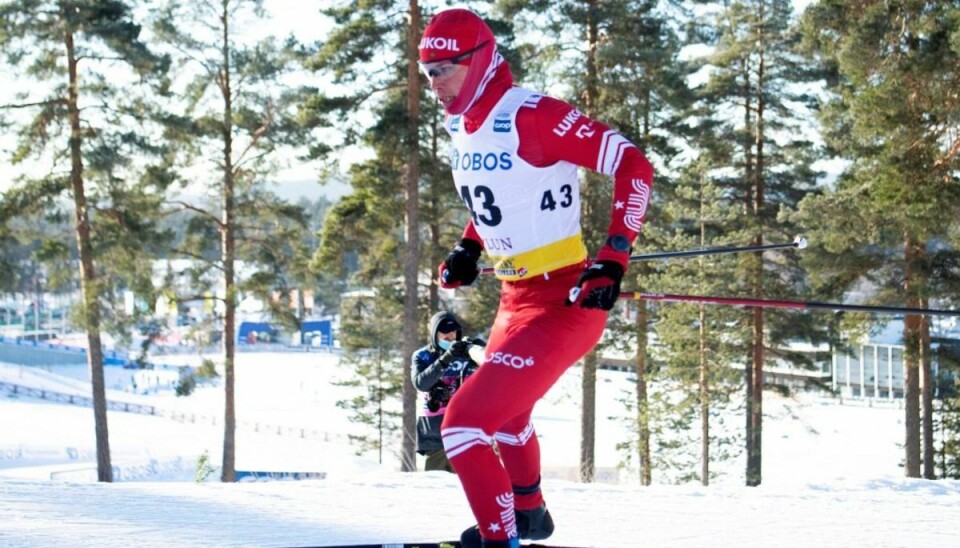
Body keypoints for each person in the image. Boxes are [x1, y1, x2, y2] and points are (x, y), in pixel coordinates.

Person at [418, 8, 655, 548]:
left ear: (480, 61)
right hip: (515, 295)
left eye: (446, 69)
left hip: (566, 300)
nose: (436, 84)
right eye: (427, 72)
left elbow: (634, 165)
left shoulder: (535, 116)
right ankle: (528, 515)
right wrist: (468, 246)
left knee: (462, 424)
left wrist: (614, 255)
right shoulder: (463, 125)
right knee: (505, 416)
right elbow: (501, 197)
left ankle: (501, 540)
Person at [411, 311, 483, 473]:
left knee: (469, 482)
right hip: (435, 432)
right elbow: (421, 383)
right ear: (434, 333)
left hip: (465, 428)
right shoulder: (422, 356)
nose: (450, 336)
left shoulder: (466, 354)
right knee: (436, 484)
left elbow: (492, 374)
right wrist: (446, 359)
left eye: (453, 331)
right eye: (444, 331)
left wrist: (482, 349)